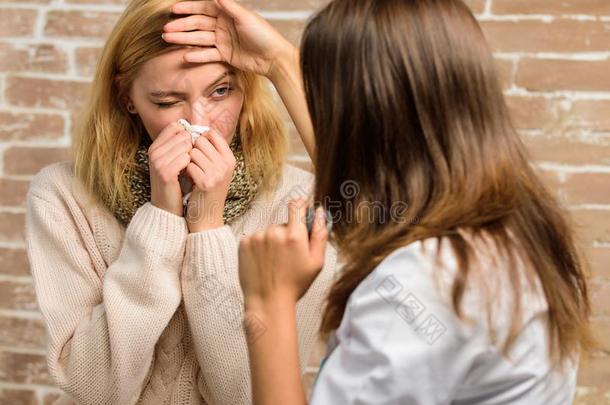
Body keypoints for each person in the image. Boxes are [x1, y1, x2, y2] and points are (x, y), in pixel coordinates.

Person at [169, 0, 595, 403]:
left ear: (364, 124)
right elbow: (371, 197)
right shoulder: (519, 232)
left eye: (328, 108)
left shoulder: (422, 285)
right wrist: (278, 61)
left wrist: (269, 304)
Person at [24, 0, 338, 403]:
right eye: (168, 101)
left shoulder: (298, 204)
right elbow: (94, 391)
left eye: (221, 91)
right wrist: (161, 221)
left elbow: (248, 396)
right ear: (126, 97)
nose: (201, 122)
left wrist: (207, 227)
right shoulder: (62, 196)